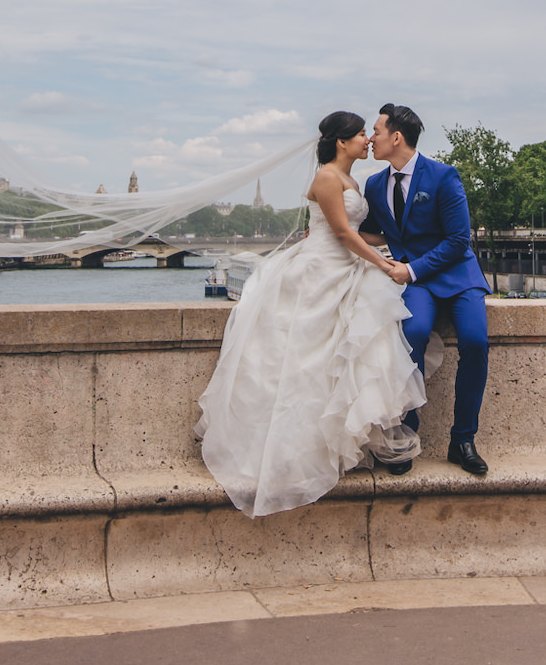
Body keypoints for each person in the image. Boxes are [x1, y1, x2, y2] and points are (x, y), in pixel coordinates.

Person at [195, 110, 427, 516]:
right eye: (361, 135)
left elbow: (356, 230)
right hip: (320, 271)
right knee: (305, 365)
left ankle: (329, 443)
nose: (367, 140)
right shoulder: (326, 177)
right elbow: (340, 233)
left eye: (369, 134)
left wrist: (399, 240)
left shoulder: (353, 180)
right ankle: (295, 452)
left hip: (342, 267)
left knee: (334, 360)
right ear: (341, 142)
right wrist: (384, 264)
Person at [361, 103, 490, 476]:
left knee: (475, 341)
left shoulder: (444, 176)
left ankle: (463, 439)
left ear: (396, 137)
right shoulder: (374, 184)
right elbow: (378, 231)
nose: (371, 138)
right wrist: (336, 234)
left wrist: (412, 269)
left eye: (377, 131)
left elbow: (458, 240)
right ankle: (405, 438)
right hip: (417, 280)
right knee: (412, 335)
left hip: (455, 275)